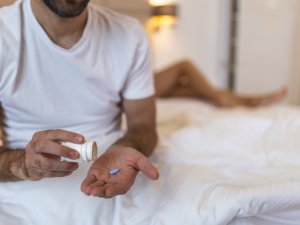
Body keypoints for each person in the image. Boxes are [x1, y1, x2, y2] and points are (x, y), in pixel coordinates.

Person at [0, 0, 159, 198]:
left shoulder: (129, 34)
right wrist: (24, 165)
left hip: (112, 175)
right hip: (24, 187)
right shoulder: (5, 34)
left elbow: (143, 125)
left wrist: (124, 149)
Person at [154, 60, 287, 107]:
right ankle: (221, 99)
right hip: (136, 87)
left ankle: (251, 100)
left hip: (148, 85)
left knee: (198, 91)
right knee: (185, 65)